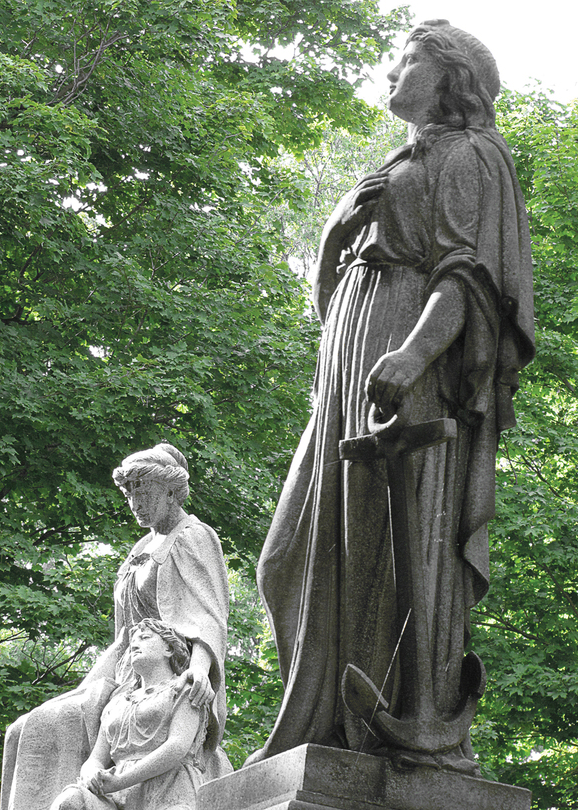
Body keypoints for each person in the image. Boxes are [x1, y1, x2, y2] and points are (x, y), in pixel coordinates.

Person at [248, 20, 534, 773]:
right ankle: (314, 722)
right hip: (347, 366)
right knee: (287, 558)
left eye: (407, 60)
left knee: (378, 539)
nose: (390, 72)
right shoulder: (400, 160)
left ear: (451, 78)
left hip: (403, 356)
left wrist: (413, 354)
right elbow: (328, 295)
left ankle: (375, 727)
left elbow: (468, 275)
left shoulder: (471, 154)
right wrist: (336, 229)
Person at [1, 444, 231, 810]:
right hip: (127, 675)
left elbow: (208, 616)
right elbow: (124, 638)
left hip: (169, 670)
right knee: (25, 726)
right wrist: (86, 690)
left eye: (145, 493)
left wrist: (200, 670)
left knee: (53, 722)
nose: (136, 504)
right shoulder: (141, 547)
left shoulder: (193, 536)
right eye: (130, 495)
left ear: (171, 492)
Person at [51, 619, 207, 810]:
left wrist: (121, 781)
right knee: (70, 801)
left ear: (168, 649)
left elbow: (177, 746)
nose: (135, 644)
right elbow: (96, 758)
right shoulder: (117, 703)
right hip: (116, 796)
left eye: (145, 637)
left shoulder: (183, 689)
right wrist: (91, 773)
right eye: (133, 641)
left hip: (169, 789)